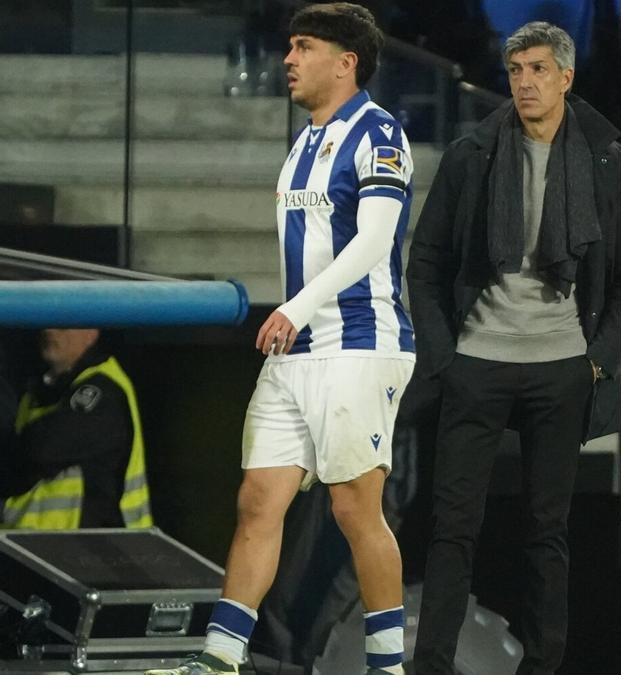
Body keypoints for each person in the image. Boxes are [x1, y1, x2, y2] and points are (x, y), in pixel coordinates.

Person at [147, 4, 415, 674]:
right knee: (258, 500)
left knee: (356, 509)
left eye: (303, 47)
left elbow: (376, 239)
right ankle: (219, 655)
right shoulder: (302, 142)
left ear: (345, 61)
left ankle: (388, 665)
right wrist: (296, 318)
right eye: (290, 46)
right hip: (298, 350)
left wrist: (294, 307)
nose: (288, 59)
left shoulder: (379, 133)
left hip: (358, 343)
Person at [405, 21, 621, 675]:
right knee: (451, 525)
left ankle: (542, 666)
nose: (525, 82)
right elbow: (426, 258)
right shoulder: (475, 152)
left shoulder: (605, 159)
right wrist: (443, 355)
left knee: (547, 532)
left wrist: (596, 359)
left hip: (561, 367)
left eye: (539, 69)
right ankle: (430, 664)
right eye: (516, 70)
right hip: (477, 362)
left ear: (566, 78)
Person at [0, 328, 152, 530]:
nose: (50, 330)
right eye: (47, 321)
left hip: (94, 549)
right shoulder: (37, 391)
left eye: (63, 325)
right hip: (32, 547)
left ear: (91, 333)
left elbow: (41, 450)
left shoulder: (103, 389)